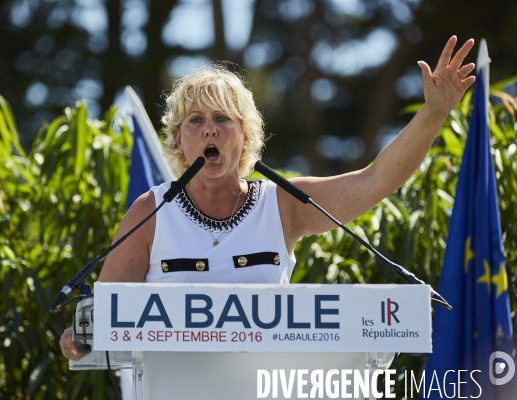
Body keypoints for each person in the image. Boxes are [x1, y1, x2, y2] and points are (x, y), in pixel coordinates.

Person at [60, 36, 475, 361]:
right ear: (178, 139)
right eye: (196, 121)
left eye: (223, 119)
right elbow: (102, 319)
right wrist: (78, 336)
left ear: (245, 137)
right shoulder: (151, 211)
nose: (210, 131)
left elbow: (376, 181)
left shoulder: (284, 204)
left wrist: (435, 111)